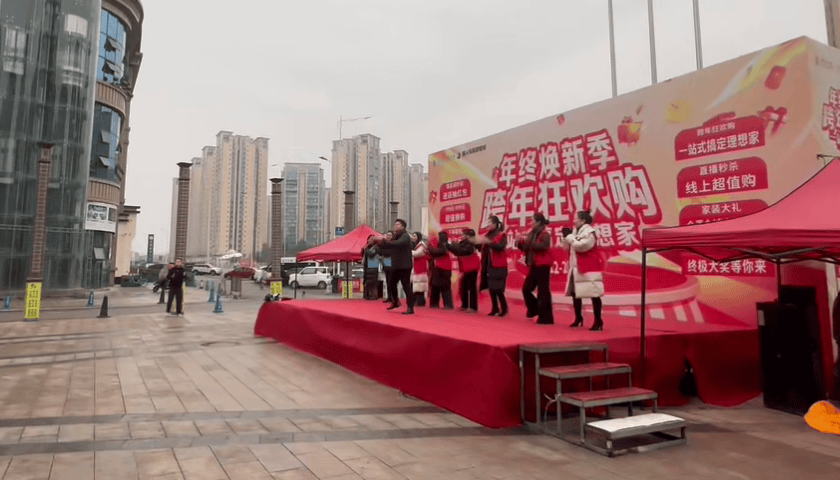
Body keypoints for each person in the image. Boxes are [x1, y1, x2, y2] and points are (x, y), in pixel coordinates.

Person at [563, 211, 605, 331]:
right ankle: (578, 318)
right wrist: (565, 237)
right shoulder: (574, 232)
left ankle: (598, 321)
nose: (574, 221)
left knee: (594, 294)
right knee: (575, 294)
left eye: (576, 219)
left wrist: (569, 237)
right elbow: (566, 247)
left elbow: (582, 246)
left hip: (588, 268)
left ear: (583, 221)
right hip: (576, 267)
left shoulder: (589, 232)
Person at [516, 213, 554, 325]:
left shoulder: (545, 234)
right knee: (526, 289)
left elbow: (542, 246)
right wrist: (519, 243)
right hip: (534, 264)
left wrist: (526, 241)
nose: (531, 222)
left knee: (543, 291)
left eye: (533, 220)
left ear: (538, 222)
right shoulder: (531, 233)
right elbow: (527, 248)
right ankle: (535, 310)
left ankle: (546, 318)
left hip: (543, 265)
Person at [371, 219, 415, 315]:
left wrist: (383, 240)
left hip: (404, 266)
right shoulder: (396, 237)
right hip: (397, 265)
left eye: (398, 225)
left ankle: (410, 307)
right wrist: (378, 243)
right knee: (391, 283)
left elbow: (396, 244)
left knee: (406, 286)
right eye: (395, 224)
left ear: (403, 227)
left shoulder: (405, 236)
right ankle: (396, 302)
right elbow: (389, 246)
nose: (395, 226)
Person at [472, 215, 508, 317]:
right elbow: (481, 248)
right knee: (491, 288)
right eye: (487, 223)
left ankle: (504, 308)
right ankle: (495, 308)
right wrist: (474, 242)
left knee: (498, 289)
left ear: (495, 224)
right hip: (488, 265)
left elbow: (500, 247)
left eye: (490, 223)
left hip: (498, 266)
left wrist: (489, 242)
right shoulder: (487, 236)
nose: (488, 225)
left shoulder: (501, 235)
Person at [448, 228, 480, 312]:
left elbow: (463, 251)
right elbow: (458, 251)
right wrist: (450, 246)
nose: (461, 236)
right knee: (464, 286)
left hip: (472, 267)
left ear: (467, 236)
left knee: (471, 287)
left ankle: (473, 307)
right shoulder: (464, 243)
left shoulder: (470, 243)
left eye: (463, 234)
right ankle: (465, 305)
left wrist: (453, 245)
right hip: (466, 267)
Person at [427, 231, 454, 309]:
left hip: (442, 266)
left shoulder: (445, 244)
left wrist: (431, 250)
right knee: (437, 285)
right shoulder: (442, 243)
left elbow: (441, 252)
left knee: (442, 286)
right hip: (440, 266)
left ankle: (445, 304)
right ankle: (437, 304)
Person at [410, 232, 429, 307]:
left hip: (420, 267)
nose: (413, 238)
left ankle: (420, 301)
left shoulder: (421, 245)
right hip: (416, 266)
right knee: (417, 286)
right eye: (413, 236)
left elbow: (417, 254)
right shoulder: (416, 245)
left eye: (415, 236)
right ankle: (417, 301)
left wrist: (408, 251)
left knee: (420, 286)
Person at [380, 231, 395, 304]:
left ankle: (393, 297)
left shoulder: (393, 244)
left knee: (392, 281)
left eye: (390, 235)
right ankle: (389, 297)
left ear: (392, 236)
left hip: (392, 264)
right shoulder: (384, 244)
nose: (388, 236)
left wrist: (384, 254)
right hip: (386, 264)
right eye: (387, 235)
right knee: (387, 281)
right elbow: (380, 251)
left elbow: (389, 253)